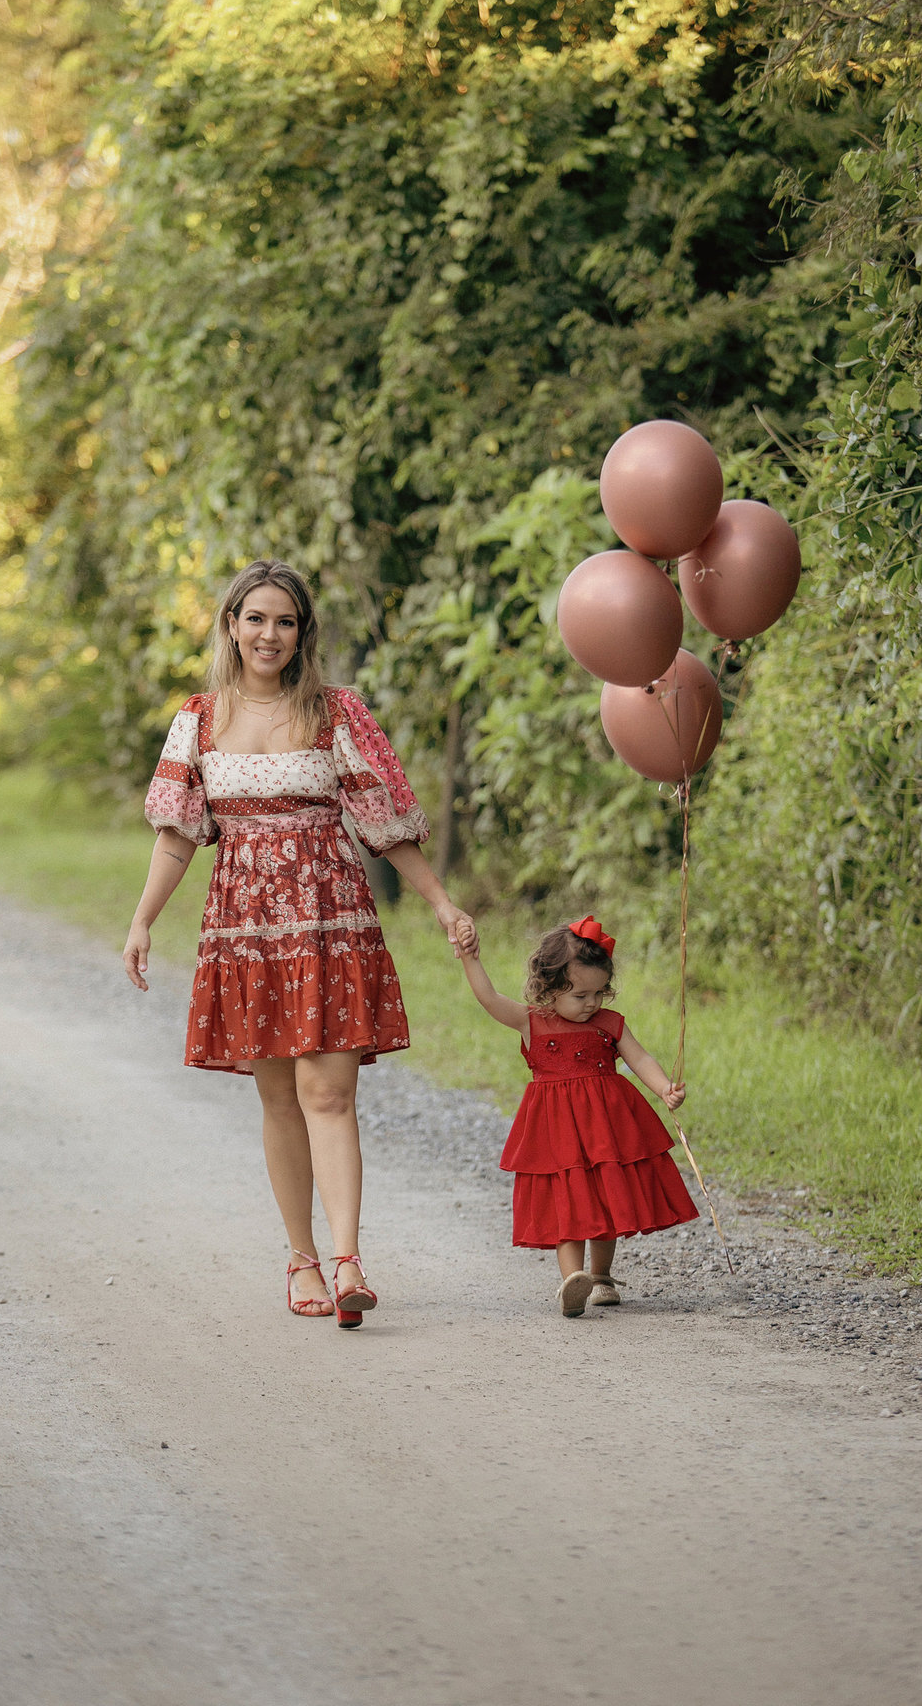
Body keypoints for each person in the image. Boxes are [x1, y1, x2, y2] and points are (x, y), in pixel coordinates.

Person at [123, 557, 475, 1328]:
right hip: (245, 930)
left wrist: (441, 902)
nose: (269, 634)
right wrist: (144, 919)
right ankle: (301, 1258)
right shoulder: (199, 719)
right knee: (280, 1098)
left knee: (329, 1093)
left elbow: (383, 820)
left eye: (285, 621)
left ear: (302, 632)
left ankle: (348, 1262)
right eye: (256, 619)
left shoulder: (335, 713)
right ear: (231, 626)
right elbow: (179, 835)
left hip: (329, 920)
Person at [459, 915, 697, 1316]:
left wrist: (664, 1088)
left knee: (606, 1197)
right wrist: (470, 956)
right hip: (558, 1132)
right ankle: (573, 1281)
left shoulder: (610, 1023)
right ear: (550, 987)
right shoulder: (532, 1022)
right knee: (567, 1202)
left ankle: (601, 1276)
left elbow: (639, 1058)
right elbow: (489, 998)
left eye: (600, 992)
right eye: (581, 994)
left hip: (606, 1127)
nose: (592, 1003)